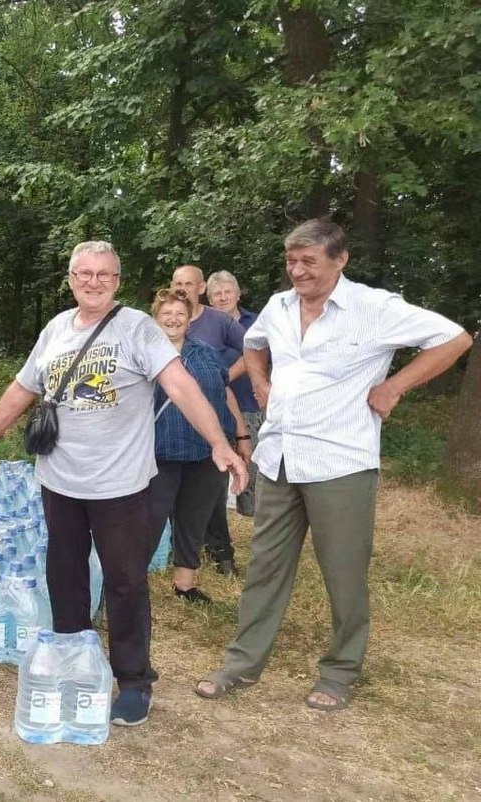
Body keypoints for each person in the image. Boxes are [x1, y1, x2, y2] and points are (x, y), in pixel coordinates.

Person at [0, 241, 247, 727]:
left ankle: (134, 681)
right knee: (64, 576)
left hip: (121, 485)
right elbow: (23, 389)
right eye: (84, 273)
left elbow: (179, 384)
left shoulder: (137, 327)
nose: (93, 282)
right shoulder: (54, 330)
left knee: (125, 582)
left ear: (117, 280)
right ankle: (72, 661)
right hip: (59, 481)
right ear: (70, 279)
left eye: (104, 274)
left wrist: (218, 441)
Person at [195, 219, 472, 711]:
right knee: (264, 568)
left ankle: (340, 672)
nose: (297, 271)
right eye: (290, 262)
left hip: (340, 462)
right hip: (279, 458)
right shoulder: (279, 308)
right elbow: (253, 345)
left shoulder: (374, 307)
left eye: (308, 262)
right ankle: (240, 665)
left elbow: (454, 339)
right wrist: (259, 382)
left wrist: (393, 387)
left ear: (339, 260)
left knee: (343, 573)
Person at [147, 288, 253, 605]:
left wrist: (240, 435)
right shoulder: (142, 354)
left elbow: (224, 394)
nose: (174, 319)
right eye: (167, 313)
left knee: (194, 519)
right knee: (148, 522)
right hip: (158, 452)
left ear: (190, 319)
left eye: (180, 313)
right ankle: (130, 586)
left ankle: (184, 585)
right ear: (155, 319)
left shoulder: (206, 353)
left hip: (206, 452)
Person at [171, 264, 246, 575]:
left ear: (201, 288)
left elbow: (254, 351)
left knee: (210, 496)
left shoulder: (218, 321)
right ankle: (175, 555)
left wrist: (227, 377)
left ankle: (221, 554)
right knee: (168, 496)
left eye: (189, 283)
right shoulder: (158, 327)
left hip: (208, 428)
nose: (182, 289)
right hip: (169, 431)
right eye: (177, 283)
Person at [206, 270, 263, 517]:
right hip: (214, 406)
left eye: (228, 292)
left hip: (249, 402)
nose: (222, 297)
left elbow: (260, 356)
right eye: (216, 294)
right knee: (216, 466)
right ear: (209, 299)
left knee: (252, 461)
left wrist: (225, 377)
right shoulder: (201, 324)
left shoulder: (256, 323)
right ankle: (219, 519)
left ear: (238, 295)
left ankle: (252, 514)